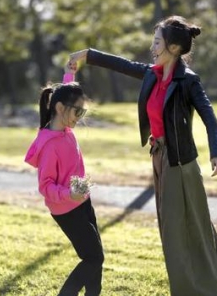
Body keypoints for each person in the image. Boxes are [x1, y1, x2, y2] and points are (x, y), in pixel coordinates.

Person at [68, 15, 217, 295]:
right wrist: (86, 55)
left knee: (185, 229)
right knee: (175, 228)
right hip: (160, 158)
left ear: (173, 48)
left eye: (157, 42)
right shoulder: (153, 73)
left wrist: (215, 152)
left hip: (181, 163)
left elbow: (209, 116)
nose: (152, 47)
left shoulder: (188, 82)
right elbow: (122, 64)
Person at [24, 67, 104, 296]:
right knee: (93, 257)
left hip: (81, 200)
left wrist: (70, 74)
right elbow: (45, 186)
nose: (80, 117)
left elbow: (66, 93)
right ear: (60, 109)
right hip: (67, 209)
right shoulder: (50, 145)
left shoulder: (64, 127)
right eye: (78, 112)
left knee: (95, 257)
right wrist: (69, 195)